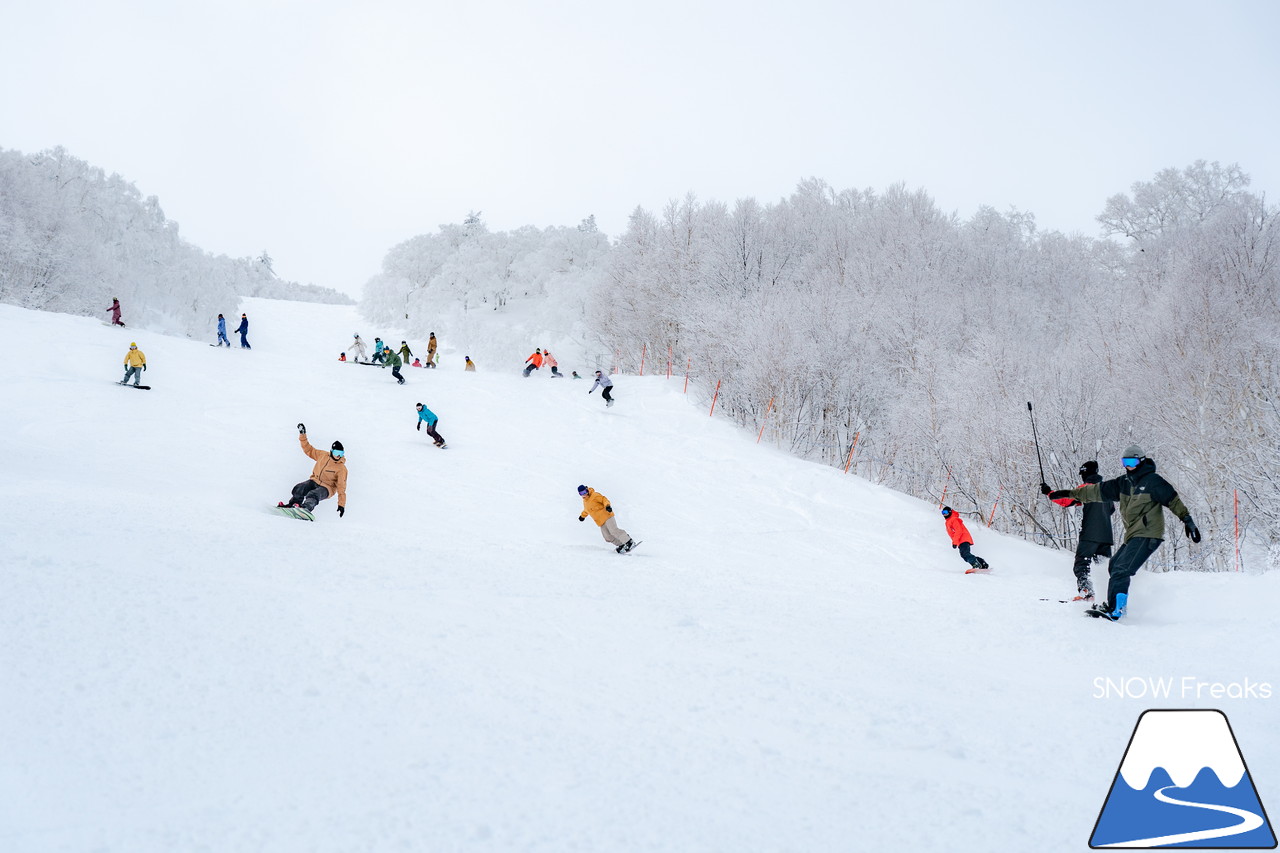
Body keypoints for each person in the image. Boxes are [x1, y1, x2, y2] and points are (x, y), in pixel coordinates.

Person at [1043, 444, 1200, 621]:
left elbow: (1172, 499)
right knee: (1114, 565)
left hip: (1148, 533)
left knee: (1121, 569)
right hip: (1133, 534)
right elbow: (1094, 491)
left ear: (1141, 461)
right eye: (1125, 462)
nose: (1128, 466)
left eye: (1132, 461)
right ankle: (1113, 605)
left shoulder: (1153, 481)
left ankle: (1116, 610)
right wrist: (1067, 493)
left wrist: (1187, 520)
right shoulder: (1123, 483)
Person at [1044, 460, 1114, 601]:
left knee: (1082, 563)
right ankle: (1105, 596)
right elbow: (1111, 509)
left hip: (1089, 534)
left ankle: (1086, 592)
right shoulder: (1106, 490)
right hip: (1106, 536)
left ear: (1085, 473)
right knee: (1103, 567)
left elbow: (1066, 500)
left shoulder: (1085, 488)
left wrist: (1049, 492)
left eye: (1082, 473)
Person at [278, 423, 347, 517]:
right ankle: (292, 506)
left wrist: (341, 504)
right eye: (336, 452)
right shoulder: (323, 455)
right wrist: (303, 435)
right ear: (331, 451)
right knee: (300, 488)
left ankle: (304, 509)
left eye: (341, 453)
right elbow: (308, 449)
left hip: (327, 488)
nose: (338, 456)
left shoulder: (341, 468)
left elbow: (341, 487)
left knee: (313, 494)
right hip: (314, 481)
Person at [577, 484, 635, 553]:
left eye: (584, 492)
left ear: (586, 489)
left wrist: (607, 506)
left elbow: (604, 499)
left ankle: (629, 541)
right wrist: (582, 516)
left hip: (607, 515)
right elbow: (587, 510)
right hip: (600, 521)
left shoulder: (594, 495)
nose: (584, 494)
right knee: (607, 537)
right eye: (581, 493)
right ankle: (622, 544)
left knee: (613, 530)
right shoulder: (585, 502)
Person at [941, 506, 989, 572]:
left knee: (965, 554)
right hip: (961, 540)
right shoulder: (948, 521)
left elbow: (958, 530)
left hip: (963, 539)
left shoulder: (953, 519)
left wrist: (955, 542)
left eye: (946, 512)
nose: (944, 514)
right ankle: (982, 563)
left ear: (949, 512)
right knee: (965, 554)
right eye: (943, 512)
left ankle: (976, 565)